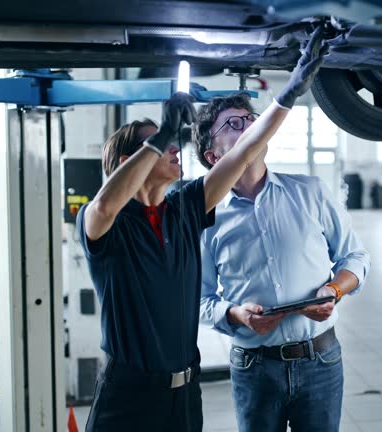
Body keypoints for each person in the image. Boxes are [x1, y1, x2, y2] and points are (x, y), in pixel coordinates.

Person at [77, 26, 329, 432]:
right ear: (129, 159)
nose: (173, 147)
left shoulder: (184, 209)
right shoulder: (107, 224)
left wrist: (291, 93)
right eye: (157, 146)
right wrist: (159, 136)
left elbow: (243, 151)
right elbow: (105, 203)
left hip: (183, 394)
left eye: (170, 141)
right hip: (128, 398)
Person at [193, 57, 370, 432]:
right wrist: (236, 315)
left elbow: (355, 257)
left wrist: (334, 290)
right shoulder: (204, 218)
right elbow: (200, 298)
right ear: (213, 156)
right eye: (234, 124)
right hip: (255, 368)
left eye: (251, 120)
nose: (250, 127)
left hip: (320, 359)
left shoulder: (310, 192)